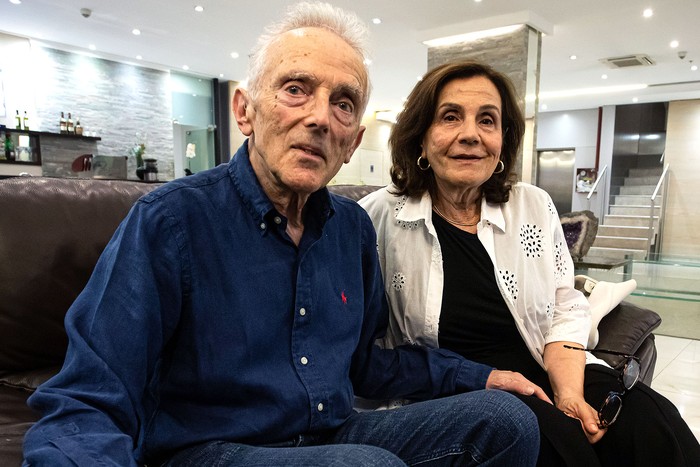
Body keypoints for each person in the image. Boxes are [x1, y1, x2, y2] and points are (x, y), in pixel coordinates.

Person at [22, 5, 542, 466]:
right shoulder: (170, 220)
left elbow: (368, 364)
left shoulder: (352, 229)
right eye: (296, 89)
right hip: (207, 448)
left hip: (332, 432)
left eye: (343, 103)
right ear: (245, 110)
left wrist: (482, 376)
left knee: (504, 420)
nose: (319, 117)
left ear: (354, 139)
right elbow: (89, 394)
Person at [359, 60, 700, 467]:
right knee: (561, 446)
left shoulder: (533, 205)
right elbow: (367, 350)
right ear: (420, 136)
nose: (470, 134)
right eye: (450, 117)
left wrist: (569, 392)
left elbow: (564, 304)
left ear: (503, 138)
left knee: (651, 422)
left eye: (487, 120)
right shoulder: (376, 218)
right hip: (464, 390)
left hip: (545, 363)